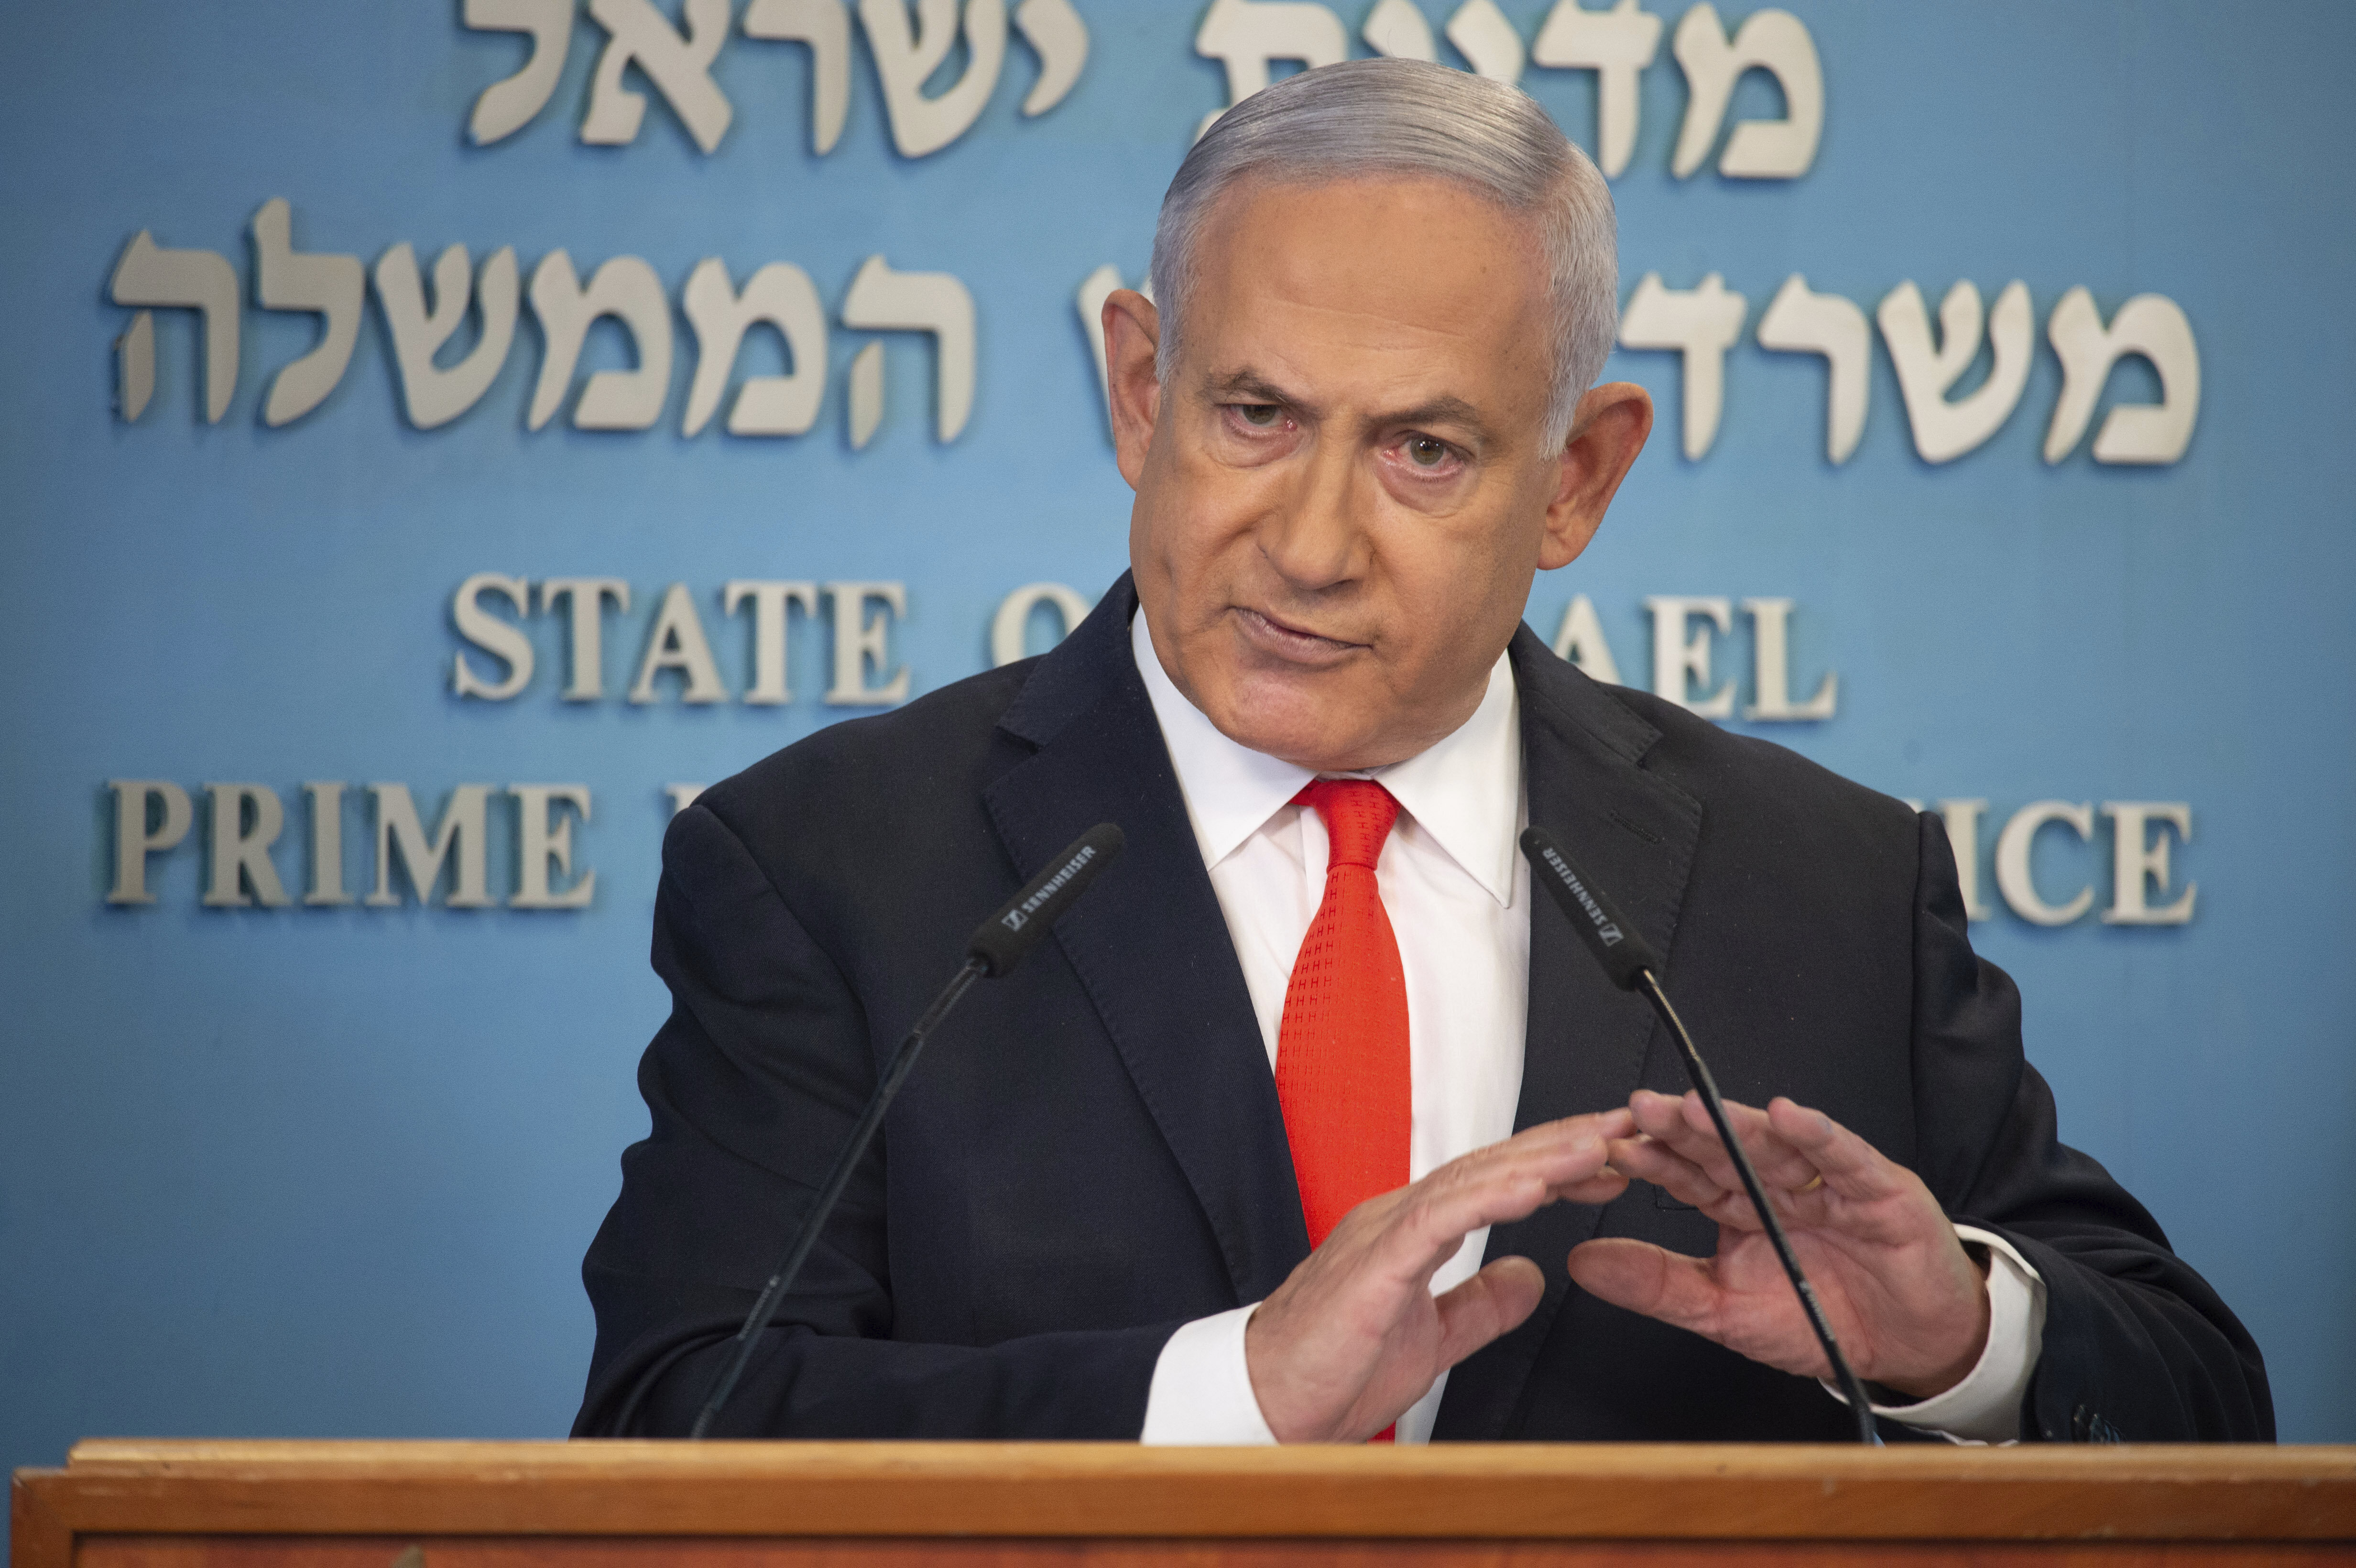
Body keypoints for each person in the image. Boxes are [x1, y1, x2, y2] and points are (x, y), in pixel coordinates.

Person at [574, 60, 2268, 1445]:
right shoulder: (831, 869)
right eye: (1255, 416)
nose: (1311, 542)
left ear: (1576, 482)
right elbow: (677, 1420)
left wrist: (1957, 1336)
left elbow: (2204, 1406)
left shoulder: (1824, 886)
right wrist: (1228, 1394)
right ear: (1137, 388)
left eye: (1426, 451)